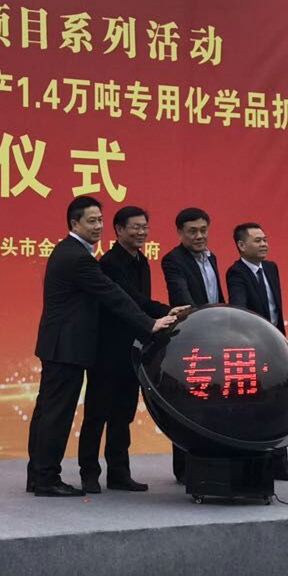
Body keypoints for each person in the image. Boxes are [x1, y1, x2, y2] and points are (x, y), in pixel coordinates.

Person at [28, 197, 177, 497]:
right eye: (91, 221)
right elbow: (114, 294)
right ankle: (46, 478)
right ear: (74, 223)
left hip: (61, 345)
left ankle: (40, 475)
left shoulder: (72, 252)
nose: (97, 227)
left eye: (99, 220)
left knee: (48, 411)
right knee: (56, 414)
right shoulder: (78, 257)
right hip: (66, 347)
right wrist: (149, 323)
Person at [79, 206, 184, 493]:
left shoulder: (142, 260)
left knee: (123, 414)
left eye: (145, 227)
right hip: (106, 351)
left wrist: (161, 315)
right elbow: (130, 300)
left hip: (133, 350)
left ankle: (119, 473)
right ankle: (89, 473)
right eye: (135, 227)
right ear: (119, 230)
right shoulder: (109, 263)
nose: (142, 232)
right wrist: (163, 311)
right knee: (97, 413)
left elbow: (141, 302)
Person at [225, 222, 288, 482]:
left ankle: (281, 465)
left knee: (280, 401)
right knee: (256, 405)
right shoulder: (236, 273)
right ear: (241, 245)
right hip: (255, 347)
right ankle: (256, 465)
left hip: (277, 344)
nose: (264, 244)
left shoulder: (271, 268)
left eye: (265, 239)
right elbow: (240, 310)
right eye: (257, 240)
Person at [160, 207, 222, 482]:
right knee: (188, 404)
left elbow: (216, 296)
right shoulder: (173, 260)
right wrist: (201, 321)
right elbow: (182, 298)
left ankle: (212, 463)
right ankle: (185, 469)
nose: (199, 236)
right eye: (192, 231)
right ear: (180, 233)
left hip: (216, 337)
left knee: (214, 401)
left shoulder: (212, 258)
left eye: (203, 230)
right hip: (192, 337)